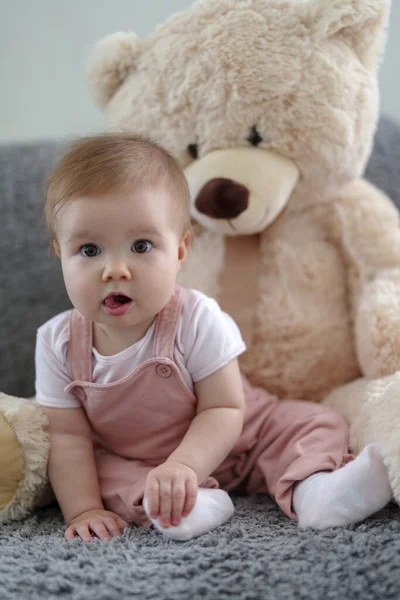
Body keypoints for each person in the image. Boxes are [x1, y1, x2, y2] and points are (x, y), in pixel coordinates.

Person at [36, 133, 393, 543]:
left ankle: (317, 491)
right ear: (60, 253)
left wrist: (187, 465)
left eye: (141, 245)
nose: (115, 269)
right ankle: (187, 507)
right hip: (143, 464)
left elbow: (223, 407)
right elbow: (68, 436)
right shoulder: (57, 343)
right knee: (101, 470)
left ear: (180, 251)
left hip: (246, 435)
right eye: (89, 250)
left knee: (314, 420)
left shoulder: (196, 318)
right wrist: (83, 509)